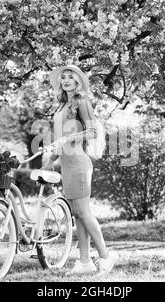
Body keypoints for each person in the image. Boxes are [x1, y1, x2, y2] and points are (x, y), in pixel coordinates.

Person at [42, 64, 118, 275]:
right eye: (63, 77)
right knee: (77, 213)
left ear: (77, 82)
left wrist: (68, 137)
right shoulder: (61, 106)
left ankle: (105, 255)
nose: (66, 80)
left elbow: (92, 131)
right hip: (66, 164)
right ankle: (84, 262)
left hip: (79, 164)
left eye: (70, 77)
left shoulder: (81, 101)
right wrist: (51, 158)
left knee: (83, 212)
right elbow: (60, 141)